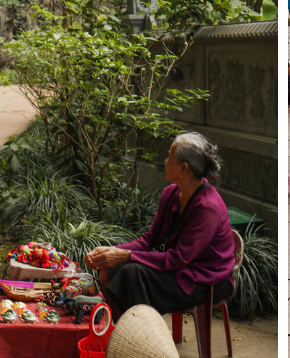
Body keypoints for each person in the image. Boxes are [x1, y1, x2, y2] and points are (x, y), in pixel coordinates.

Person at [85, 133, 235, 319]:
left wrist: (126, 255)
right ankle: (120, 331)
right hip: (180, 268)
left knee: (133, 274)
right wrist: (112, 251)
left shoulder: (208, 207)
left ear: (183, 168)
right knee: (110, 268)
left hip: (204, 280)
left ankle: (140, 337)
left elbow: (178, 258)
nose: (165, 161)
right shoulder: (171, 193)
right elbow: (150, 240)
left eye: (169, 158)